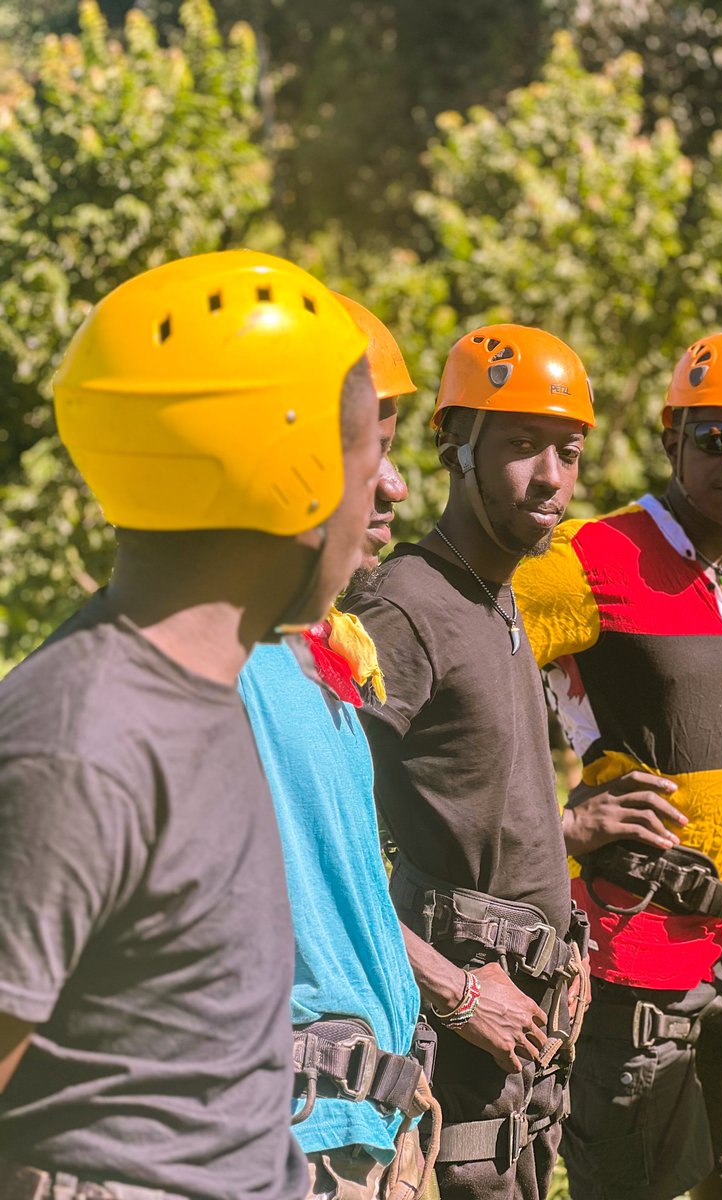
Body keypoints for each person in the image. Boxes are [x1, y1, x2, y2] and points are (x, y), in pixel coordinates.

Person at [0, 251, 379, 1200]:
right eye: (373, 452)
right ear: (295, 477)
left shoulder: (205, 692)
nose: (392, 490)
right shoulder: (87, 742)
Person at [515, 333, 722, 1200]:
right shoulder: (592, 558)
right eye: (719, 434)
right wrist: (564, 819)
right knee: (625, 1180)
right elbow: (462, 669)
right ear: (672, 436)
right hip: (639, 937)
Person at [343, 324, 595, 1200]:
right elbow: (316, 843)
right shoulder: (406, 608)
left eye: (568, 451)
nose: (552, 477)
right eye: (523, 446)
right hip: (457, 1038)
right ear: (455, 443)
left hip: (526, 1032)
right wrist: (453, 991)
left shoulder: (501, 594)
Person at [237, 294, 437, 1200]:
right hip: (295, 1139)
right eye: (377, 450)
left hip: (369, 1123)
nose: (394, 486)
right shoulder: (219, 671)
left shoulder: (313, 654)